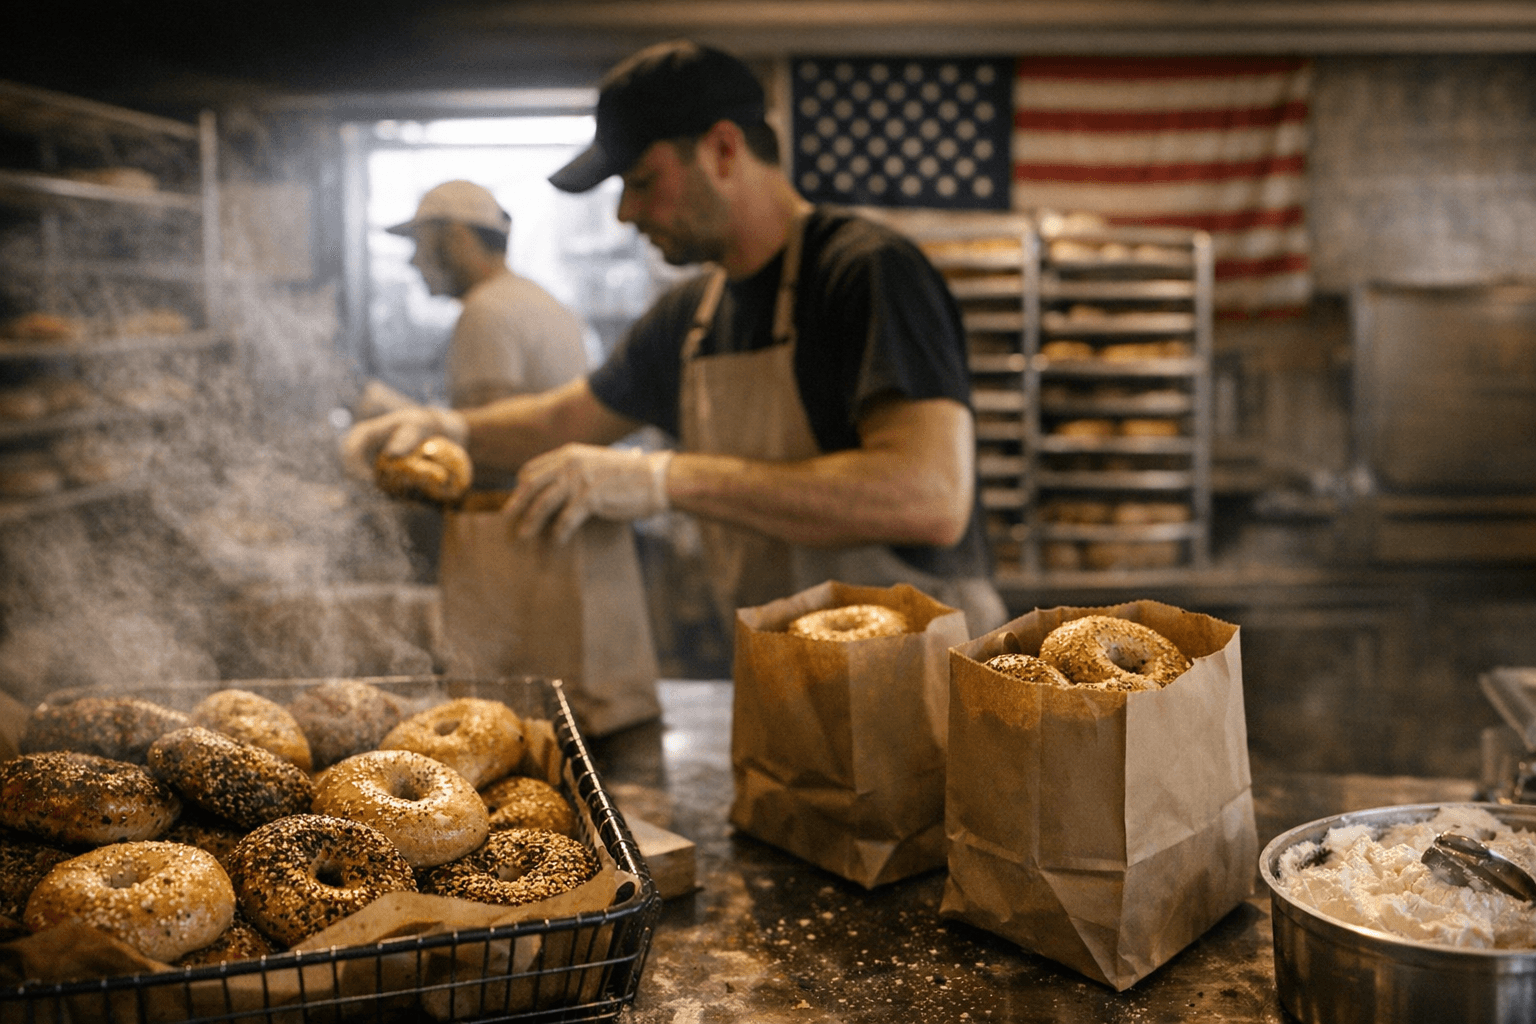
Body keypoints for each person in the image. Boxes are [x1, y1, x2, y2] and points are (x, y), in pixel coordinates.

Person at [343, 40, 1008, 636]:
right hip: (784, 691)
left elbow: (928, 496)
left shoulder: (862, 271)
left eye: (640, 181)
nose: (626, 213)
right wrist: (443, 426)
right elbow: (564, 418)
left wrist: (665, 478)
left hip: (922, 691)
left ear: (722, 150)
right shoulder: (689, 315)